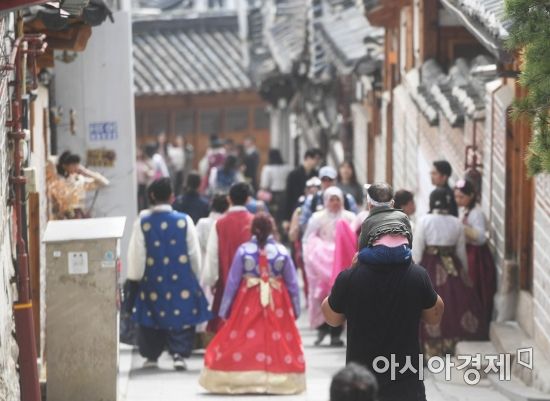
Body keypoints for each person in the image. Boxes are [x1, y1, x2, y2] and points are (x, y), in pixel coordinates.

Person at [322, 183, 445, 401]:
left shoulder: (350, 278)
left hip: (361, 386)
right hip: (406, 384)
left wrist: (349, 273)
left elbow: (332, 318)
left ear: (367, 237)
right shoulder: (417, 276)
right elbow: (434, 316)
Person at [199, 213, 305, 394]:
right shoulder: (281, 251)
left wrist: (225, 311)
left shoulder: (244, 251)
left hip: (247, 300)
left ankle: (241, 376)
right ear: (272, 229)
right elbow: (292, 284)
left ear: (251, 229)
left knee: (244, 336)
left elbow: (232, 283)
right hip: (276, 301)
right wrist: (295, 309)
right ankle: (279, 378)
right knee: (276, 338)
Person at [126, 178, 211, 370]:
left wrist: (135, 277)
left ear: (151, 196)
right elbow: (194, 253)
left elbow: (137, 253)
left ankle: (152, 355)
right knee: (180, 314)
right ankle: (179, 354)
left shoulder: (143, 222)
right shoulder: (184, 220)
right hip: (181, 278)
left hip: (152, 278)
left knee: (151, 315)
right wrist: (195, 275)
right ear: (172, 197)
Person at [413, 187, 486, 357]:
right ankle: (454, 344)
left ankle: (430, 348)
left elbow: (417, 250)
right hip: (453, 267)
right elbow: (461, 252)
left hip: (429, 266)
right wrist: (464, 275)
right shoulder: (456, 222)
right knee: (457, 304)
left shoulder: (424, 221)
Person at [303, 186, 355, 346]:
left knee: (339, 297)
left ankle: (336, 333)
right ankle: (322, 328)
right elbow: (307, 239)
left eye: (337, 199)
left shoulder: (349, 217)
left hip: (341, 262)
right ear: (326, 201)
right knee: (321, 296)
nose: (334, 203)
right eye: (331, 199)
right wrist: (312, 257)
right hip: (322, 263)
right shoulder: (317, 218)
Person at [203, 182, 255, 333]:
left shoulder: (220, 224)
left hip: (226, 281)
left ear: (229, 199)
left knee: (226, 323)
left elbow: (213, 255)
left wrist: (211, 279)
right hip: (251, 283)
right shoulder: (254, 221)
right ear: (248, 200)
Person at [454, 179, 496, 328]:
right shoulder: (465, 211)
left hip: (476, 256)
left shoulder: (476, 213)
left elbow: (480, 237)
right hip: (468, 252)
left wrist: (461, 228)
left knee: (476, 288)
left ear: (471, 195)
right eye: (457, 196)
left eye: (461, 197)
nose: (458, 200)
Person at [299, 166, 358, 230]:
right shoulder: (311, 200)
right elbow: (304, 223)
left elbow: (356, 223)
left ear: (335, 180)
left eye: (330, 180)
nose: (327, 183)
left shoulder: (348, 198)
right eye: (324, 180)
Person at [55, 151, 110, 219]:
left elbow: (104, 183)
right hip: (62, 213)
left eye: (77, 164)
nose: (76, 167)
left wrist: (86, 172)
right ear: (65, 165)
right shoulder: (58, 179)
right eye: (73, 164)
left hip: (78, 213)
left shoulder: (79, 180)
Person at [283, 148, 323, 225]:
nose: (317, 162)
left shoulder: (316, 174)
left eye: (319, 160)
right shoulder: (294, 174)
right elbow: (288, 196)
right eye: (316, 159)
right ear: (308, 158)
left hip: (312, 209)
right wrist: (286, 218)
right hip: (296, 208)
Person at [259, 149, 293, 220]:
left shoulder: (267, 168)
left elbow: (264, 184)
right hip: (286, 193)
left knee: (273, 215)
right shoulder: (287, 167)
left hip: (273, 195)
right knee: (283, 213)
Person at [136, 146, 155, 211]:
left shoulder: (146, 161)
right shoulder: (134, 162)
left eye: (139, 151)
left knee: (145, 197)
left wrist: (148, 173)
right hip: (137, 184)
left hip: (145, 183)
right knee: (138, 198)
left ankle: (145, 209)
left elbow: (153, 171)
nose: (138, 153)